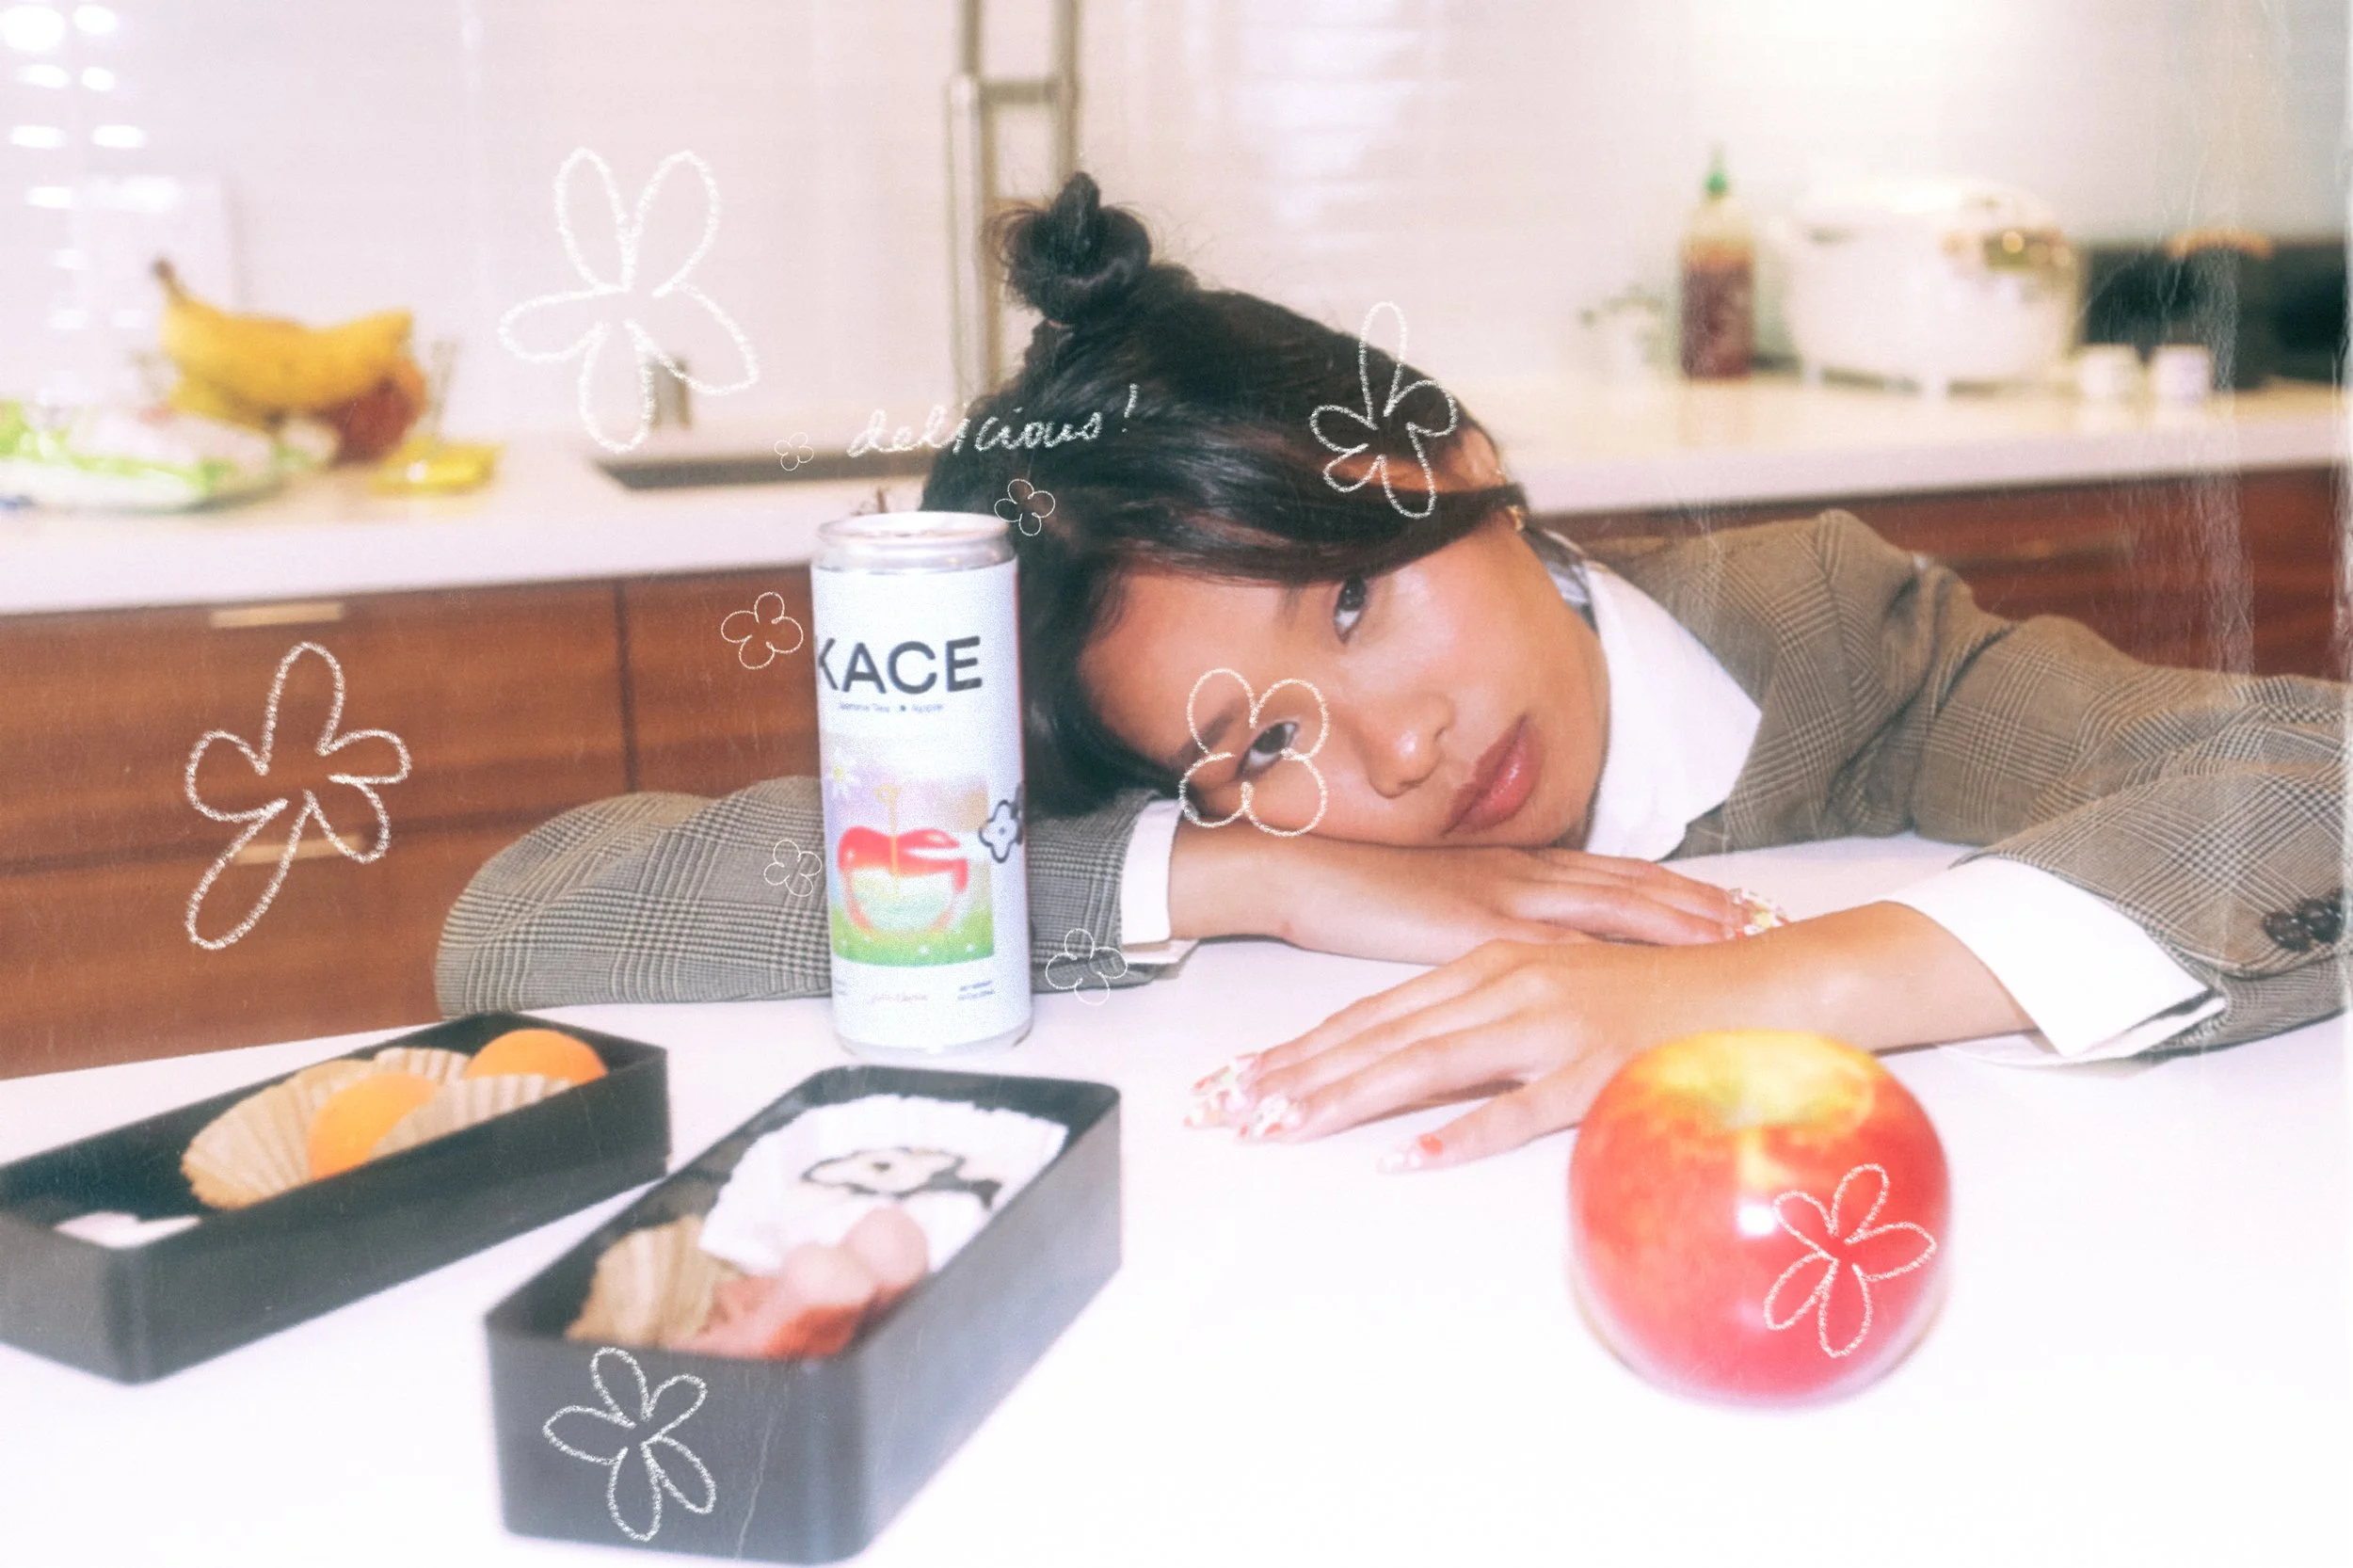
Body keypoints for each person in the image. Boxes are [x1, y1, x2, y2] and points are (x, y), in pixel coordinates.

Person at [439, 173, 2349, 1173]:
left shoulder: (1836, 638)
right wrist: (1250, 872)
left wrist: (1759, 988)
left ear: (1450, 449)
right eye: (1262, 741)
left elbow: (2309, 777)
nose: (1406, 744)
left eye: (1351, 600)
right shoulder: (1202, 834)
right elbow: (515, 928)